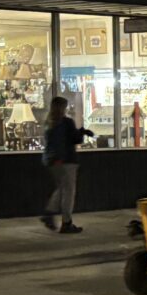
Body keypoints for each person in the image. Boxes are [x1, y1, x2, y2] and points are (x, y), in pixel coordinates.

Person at [40, 96, 94, 234]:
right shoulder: (66, 122)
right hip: (66, 160)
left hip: (51, 161)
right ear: (63, 107)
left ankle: (49, 213)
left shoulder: (49, 123)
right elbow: (74, 139)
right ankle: (66, 222)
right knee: (68, 192)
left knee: (62, 188)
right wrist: (83, 132)